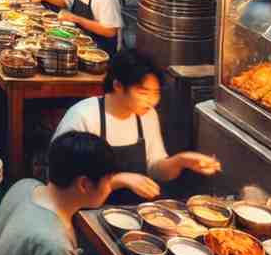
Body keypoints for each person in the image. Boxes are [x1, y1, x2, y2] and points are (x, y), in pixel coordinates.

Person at [53, 49, 221, 204]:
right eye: (143, 92)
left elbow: (155, 169)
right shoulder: (85, 116)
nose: (152, 101)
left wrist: (181, 161)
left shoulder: (147, 115)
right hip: (87, 209)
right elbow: (63, 180)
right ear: (118, 85)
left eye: (156, 93)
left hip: (132, 210)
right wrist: (119, 180)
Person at [0, 131, 117, 255]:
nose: (110, 187)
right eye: (108, 180)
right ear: (84, 184)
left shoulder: (24, 185)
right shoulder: (54, 247)